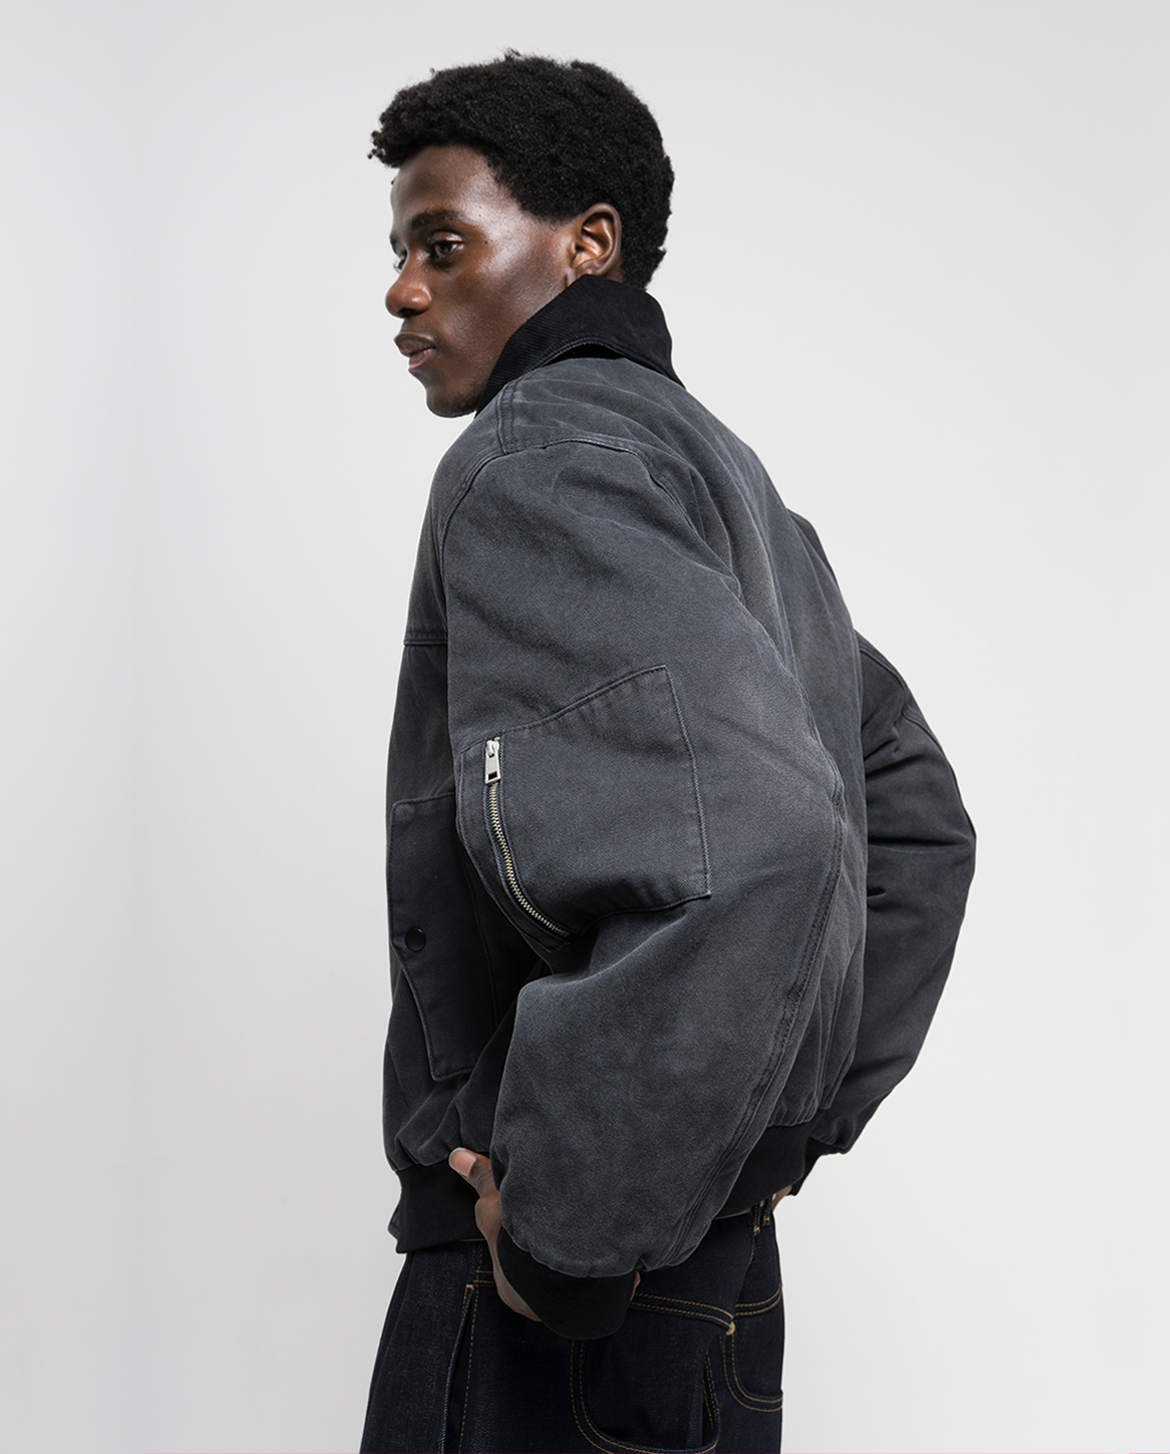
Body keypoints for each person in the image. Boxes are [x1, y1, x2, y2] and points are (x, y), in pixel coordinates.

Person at [359, 53, 975, 1454]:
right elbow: (912, 822)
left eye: (440, 245)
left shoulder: (539, 455)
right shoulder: (728, 482)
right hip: (707, 1290)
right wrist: (760, 1135)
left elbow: (766, 837)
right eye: (398, 253)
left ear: (588, 244)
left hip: (557, 1307)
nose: (400, 291)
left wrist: (570, 1230)